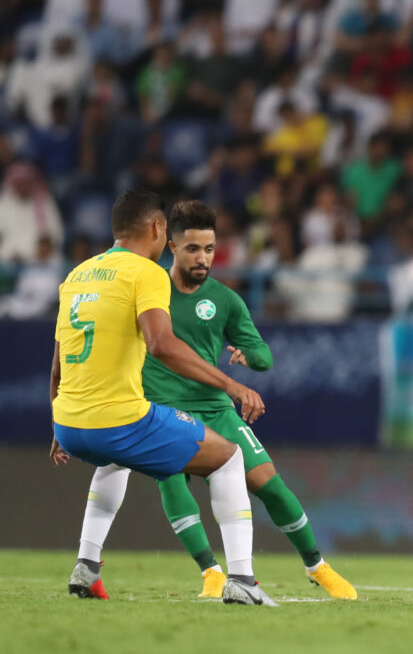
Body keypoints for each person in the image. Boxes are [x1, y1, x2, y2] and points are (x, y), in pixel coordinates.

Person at [74, 200, 359, 600]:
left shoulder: (225, 300)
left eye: (209, 249)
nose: (203, 258)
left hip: (215, 408)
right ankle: (212, 571)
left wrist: (250, 357)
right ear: (172, 246)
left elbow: (263, 354)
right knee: (169, 479)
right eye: (193, 249)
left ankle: (317, 566)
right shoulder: (147, 284)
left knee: (269, 485)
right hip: (160, 408)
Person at [50, 189, 276, 606]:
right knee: (228, 457)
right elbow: (162, 345)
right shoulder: (147, 272)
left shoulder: (77, 275)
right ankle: (243, 580)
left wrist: (57, 422)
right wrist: (232, 384)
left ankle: (87, 565)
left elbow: (60, 355)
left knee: (113, 459)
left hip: (69, 423)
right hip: (119, 420)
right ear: (157, 229)